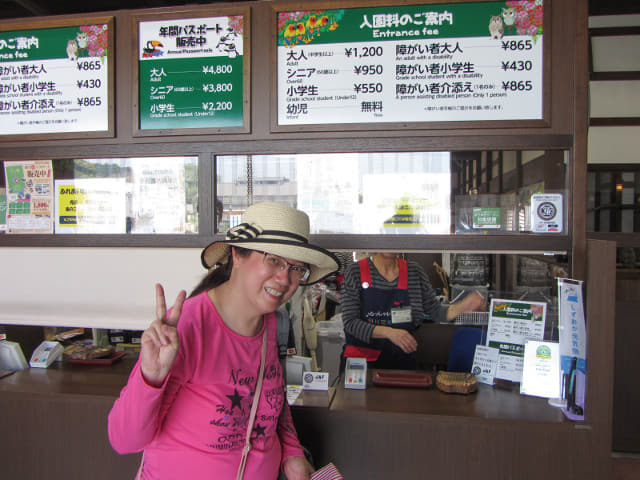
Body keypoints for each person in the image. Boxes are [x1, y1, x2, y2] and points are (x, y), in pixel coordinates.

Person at [108, 202, 340, 480]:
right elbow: (124, 441)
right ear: (237, 255)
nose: (284, 278)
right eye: (273, 259)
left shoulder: (270, 323)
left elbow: (271, 399)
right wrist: (150, 378)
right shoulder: (186, 326)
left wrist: (292, 452)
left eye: (296, 268)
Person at [341, 252, 485, 370]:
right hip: (362, 364)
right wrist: (389, 333)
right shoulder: (355, 272)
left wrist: (463, 306)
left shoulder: (414, 272)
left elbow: (435, 311)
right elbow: (350, 323)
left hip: (402, 362)